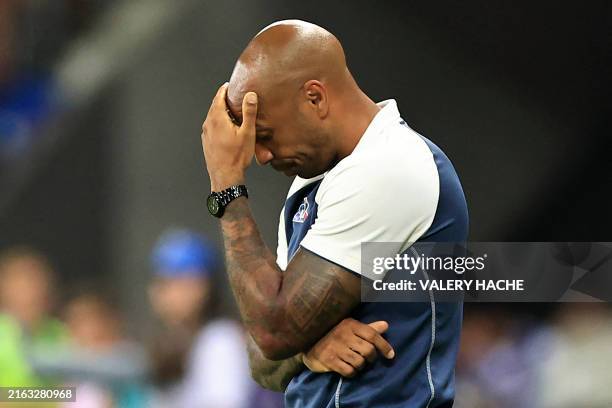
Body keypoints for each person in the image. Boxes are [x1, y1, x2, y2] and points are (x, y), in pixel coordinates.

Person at [200, 19, 469, 407]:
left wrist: (226, 186)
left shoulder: (390, 164)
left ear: (315, 98)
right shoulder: (312, 187)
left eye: (267, 135)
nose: (261, 157)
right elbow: (261, 355)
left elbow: (273, 331)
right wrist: (306, 348)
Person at [147, 228, 275, 408]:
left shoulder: (220, 339)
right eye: (163, 282)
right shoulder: (174, 339)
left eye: (179, 282)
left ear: (205, 287)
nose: (167, 294)